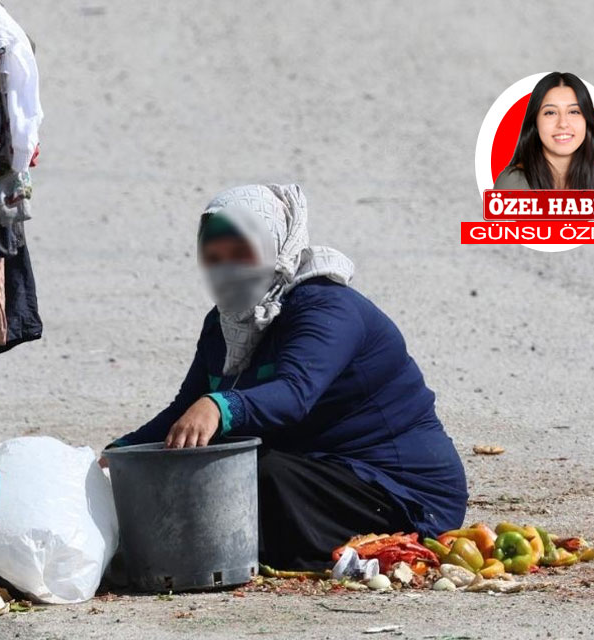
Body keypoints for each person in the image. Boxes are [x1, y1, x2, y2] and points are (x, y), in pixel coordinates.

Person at [106, 184, 467, 569]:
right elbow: (186, 409)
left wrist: (219, 406)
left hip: (402, 492)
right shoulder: (224, 324)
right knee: (192, 470)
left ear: (274, 246)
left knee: (253, 476)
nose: (228, 269)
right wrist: (124, 454)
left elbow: (294, 393)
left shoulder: (327, 309)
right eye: (214, 258)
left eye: (242, 253)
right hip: (318, 471)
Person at [495, 72, 594, 190]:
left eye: (574, 112)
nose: (563, 123)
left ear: (587, 120)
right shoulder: (512, 182)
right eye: (550, 112)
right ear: (535, 121)